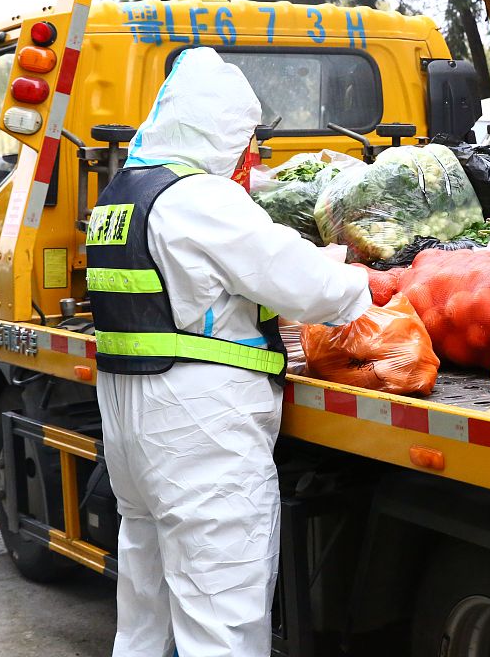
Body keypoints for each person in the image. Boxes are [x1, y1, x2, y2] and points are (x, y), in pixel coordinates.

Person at [86, 47, 371, 657]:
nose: (252, 157)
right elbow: (300, 283)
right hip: (200, 430)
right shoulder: (201, 200)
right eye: (245, 141)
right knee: (221, 613)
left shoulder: (121, 196)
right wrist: (364, 289)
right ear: (218, 132)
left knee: (146, 613)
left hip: (135, 427)